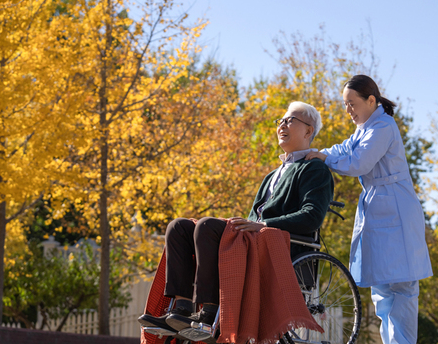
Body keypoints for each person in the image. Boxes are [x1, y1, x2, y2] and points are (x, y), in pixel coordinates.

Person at [138, 101, 333, 331]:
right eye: (280, 121)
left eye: (290, 121)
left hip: (280, 245)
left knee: (207, 226)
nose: (282, 125)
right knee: (179, 227)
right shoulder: (273, 174)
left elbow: (311, 217)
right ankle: (180, 311)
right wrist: (252, 225)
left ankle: (209, 312)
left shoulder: (314, 169)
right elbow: (254, 214)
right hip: (254, 238)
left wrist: (263, 225)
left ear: (309, 130)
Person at [305, 75, 432, 344]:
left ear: (371, 101)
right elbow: (343, 149)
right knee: (382, 284)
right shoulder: (365, 128)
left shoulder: (383, 126)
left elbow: (358, 162)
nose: (348, 110)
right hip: (378, 208)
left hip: (396, 208)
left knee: (401, 282)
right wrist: (321, 153)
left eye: (352, 103)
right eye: (345, 104)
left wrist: (323, 160)